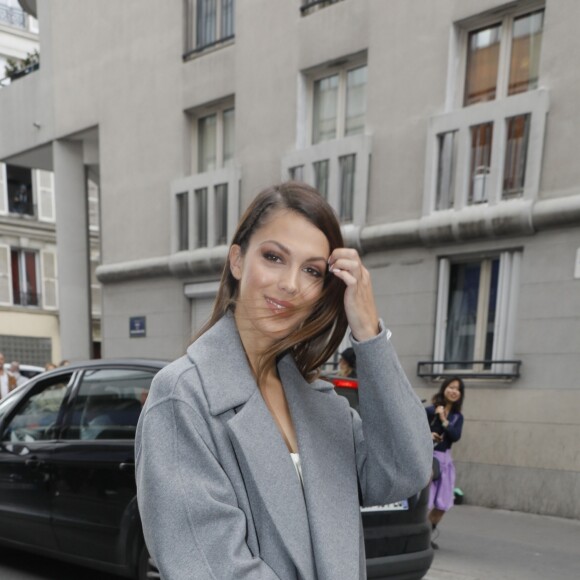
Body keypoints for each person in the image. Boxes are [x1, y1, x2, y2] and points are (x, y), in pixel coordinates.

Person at [136, 182, 432, 580]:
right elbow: (213, 567)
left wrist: (368, 333)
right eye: (274, 257)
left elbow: (405, 471)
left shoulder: (321, 404)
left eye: (311, 270)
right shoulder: (183, 396)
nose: (291, 284)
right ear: (237, 261)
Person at [426, 376, 465, 550]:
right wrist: (429, 435)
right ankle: (417, 536)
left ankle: (426, 535)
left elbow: (455, 436)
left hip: (445, 461)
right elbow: (415, 430)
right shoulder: (429, 410)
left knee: (442, 504)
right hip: (428, 458)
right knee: (424, 502)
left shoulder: (457, 417)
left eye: (458, 389)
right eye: (451, 387)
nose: (454, 391)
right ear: (444, 388)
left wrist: (443, 419)